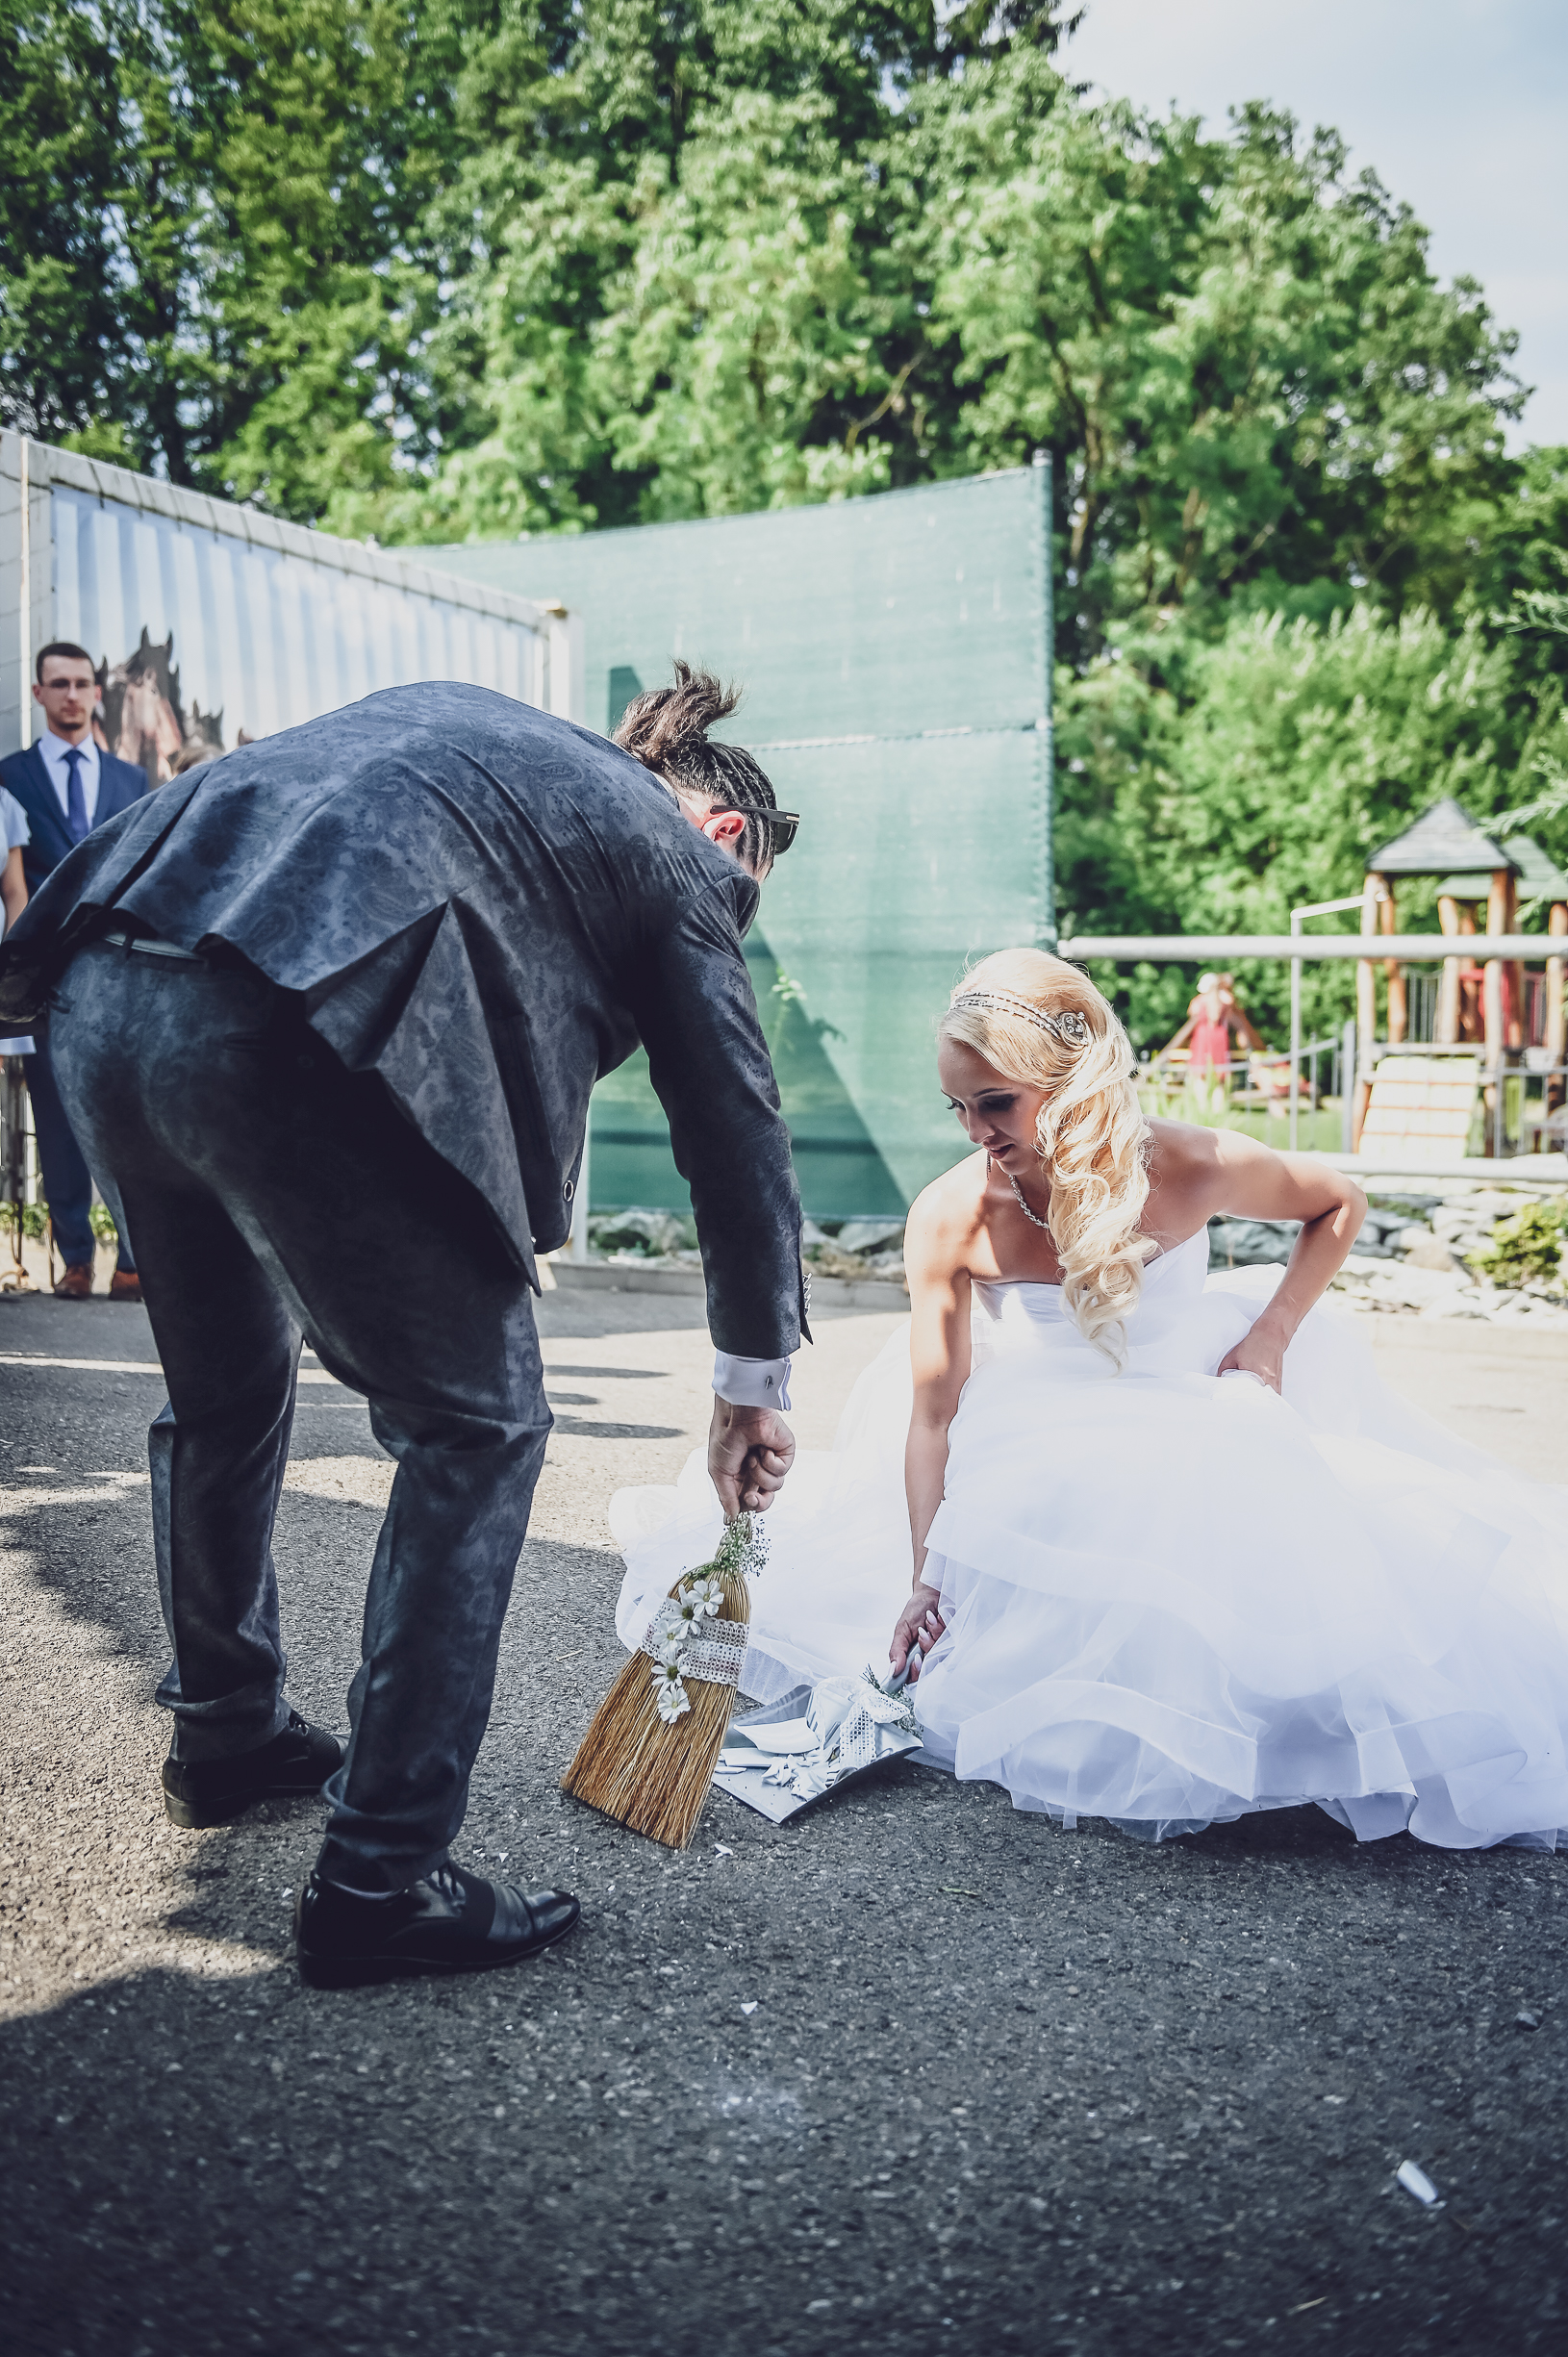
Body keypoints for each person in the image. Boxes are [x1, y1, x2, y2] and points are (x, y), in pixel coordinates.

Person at [0, 664, 806, 1986]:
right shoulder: (676, 856)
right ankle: (380, 1875)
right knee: (478, 1427)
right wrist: (749, 1383)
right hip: (279, 1022)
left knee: (223, 1395)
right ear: (724, 833)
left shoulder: (484, 735)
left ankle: (226, 1732)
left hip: (105, 986)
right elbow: (734, 1126)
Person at [614, 948, 1568, 1852]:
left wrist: (1270, 1335)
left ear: (1068, 1079)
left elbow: (1337, 1202)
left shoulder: (1189, 1161)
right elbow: (934, 1414)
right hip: (1030, 1435)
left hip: (1193, 1404)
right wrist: (925, 1576)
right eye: (957, 1107)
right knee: (1064, 1575)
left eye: (996, 1102)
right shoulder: (952, 1213)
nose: (976, 1132)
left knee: (1275, 1556)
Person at [0, 643, 146, 1299]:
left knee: (128, 1121)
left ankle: (134, 1261)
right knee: (56, 1120)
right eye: (58, 684)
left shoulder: (130, 781)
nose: (72, 695)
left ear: (96, 692)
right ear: (38, 693)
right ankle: (77, 1260)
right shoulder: (10, 777)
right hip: (45, 980)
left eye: (82, 683)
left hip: (119, 977)